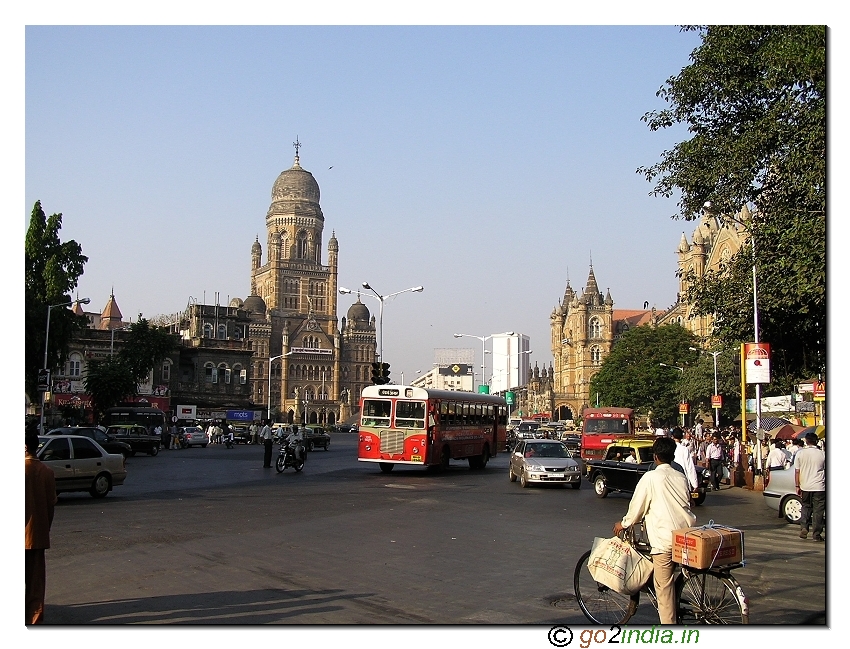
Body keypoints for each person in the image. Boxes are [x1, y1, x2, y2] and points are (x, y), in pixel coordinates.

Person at [613, 437, 696, 625]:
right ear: (672, 456)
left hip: (665, 541)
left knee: (663, 589)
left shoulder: (650, 478)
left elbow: (636, 508)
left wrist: (624, 524)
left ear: (655, 456)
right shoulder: (681, 477)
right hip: (686, 537)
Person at [26, 428, 57, 625]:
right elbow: (50, 507)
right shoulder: (47, 472)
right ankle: (34, 620)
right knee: (35, 584)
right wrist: (44, 529)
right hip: (37, 535)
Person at [794, 432, 825, 541]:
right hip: (819, 486)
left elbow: (797, 471)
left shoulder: (800, 454)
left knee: (806, 507)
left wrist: (797, 485)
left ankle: (804, 527)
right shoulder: (822, 454)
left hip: (805, 486)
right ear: (816, 441)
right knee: (818, 511)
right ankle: (816, 534)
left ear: (806, 441)